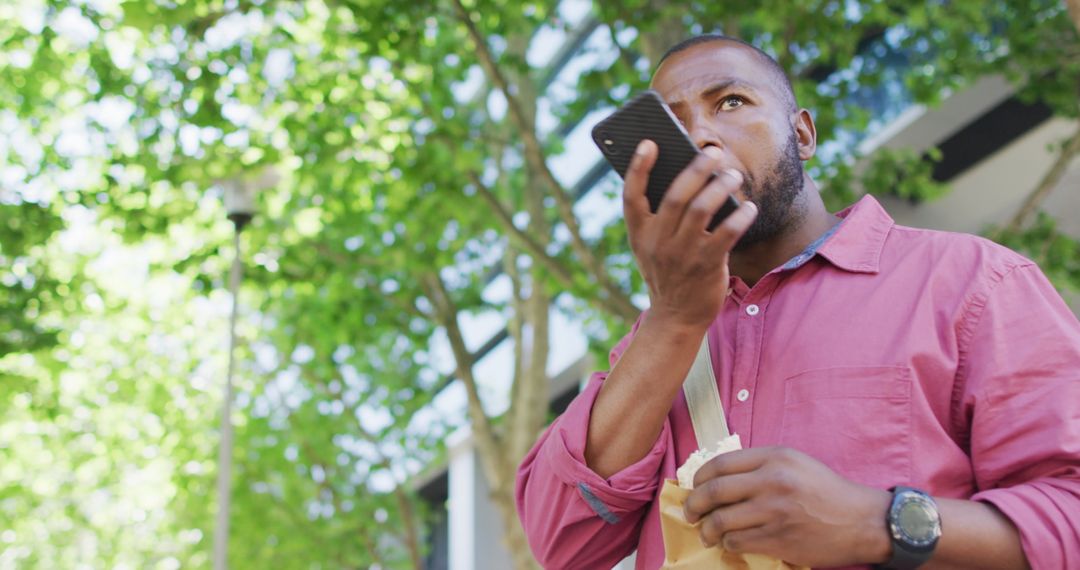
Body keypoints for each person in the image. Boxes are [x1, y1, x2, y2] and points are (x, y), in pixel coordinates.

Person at [515, 34, 1080, 570]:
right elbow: (561, 544)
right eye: (675, 125)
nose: (702, 139)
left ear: (803, 134)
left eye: (730, 102)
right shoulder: (657, 341)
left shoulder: (976, 282)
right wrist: (672, 320)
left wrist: (874, 521)